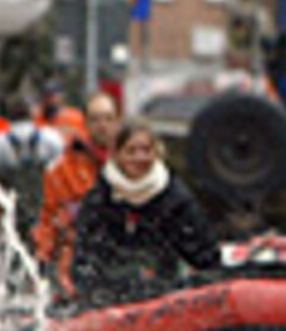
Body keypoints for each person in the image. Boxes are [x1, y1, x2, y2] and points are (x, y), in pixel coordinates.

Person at [69, 119, 222, 307]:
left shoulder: (175, 197)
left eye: (146, 150)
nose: (140, 158)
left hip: (165, 296)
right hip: (113, 296)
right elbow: (84, 257)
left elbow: (205, 254)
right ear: (117, 155)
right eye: (131, 151)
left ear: (156, 153)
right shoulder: (100, 199)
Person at [34, 90, 121, 298]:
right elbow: (50, 218)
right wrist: (42, 259)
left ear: (118, 121)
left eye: (108, 119)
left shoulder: (131, 162)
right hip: (78, 263)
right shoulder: (63, 169)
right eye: (96, 119)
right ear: (86, 123)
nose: (102, 125)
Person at [0, 93, 66, 249]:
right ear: (33, 113)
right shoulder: (52, 139)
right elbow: (64, 175)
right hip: (45, 215)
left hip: (11, 219)